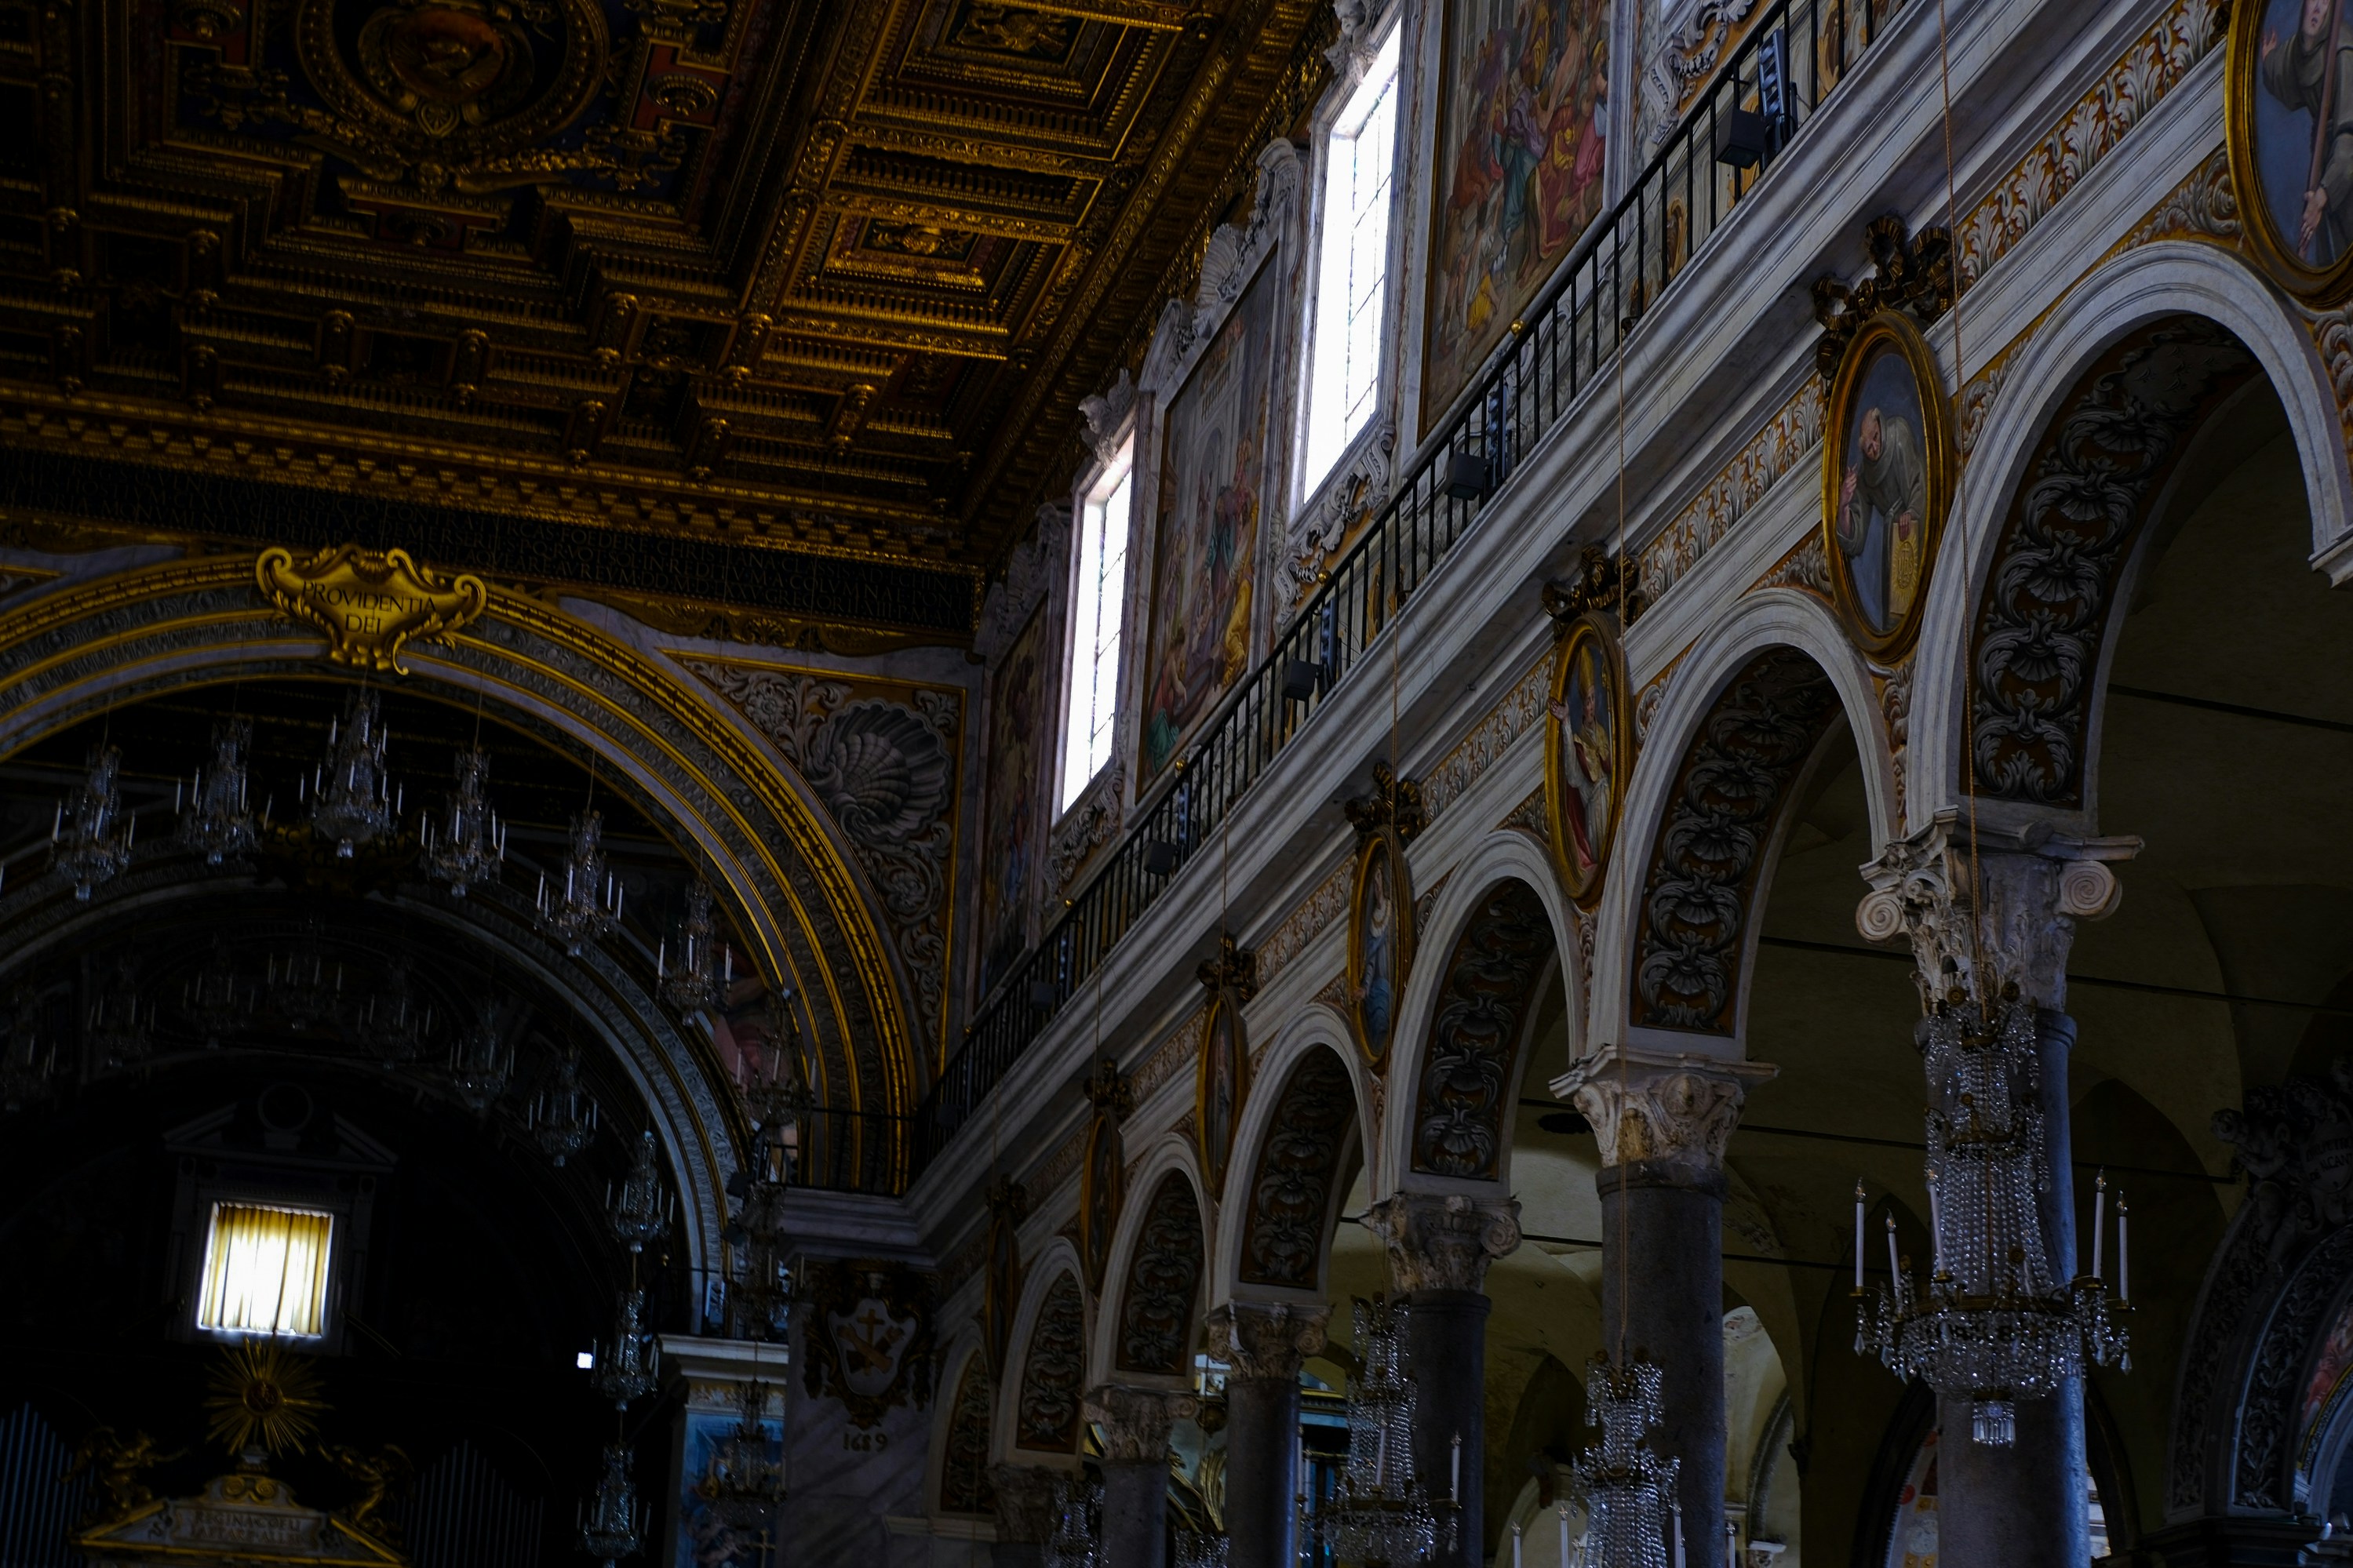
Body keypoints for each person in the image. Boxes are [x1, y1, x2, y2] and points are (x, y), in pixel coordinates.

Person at [2262, 0, 2353, 262]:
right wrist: (2268, 62)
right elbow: (2284, 72)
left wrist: (2323, 196)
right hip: (2323, 160)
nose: (2317, 9)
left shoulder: (2343, 52)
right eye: (2314, 0)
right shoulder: (2301, 46)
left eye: (2325, 4)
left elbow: (2350, 139)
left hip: (2343, 174)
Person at [1838, 404, 1928, 628]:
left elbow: (1919, 482)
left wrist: (1912, 512)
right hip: (1894, 541)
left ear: (1881, 425)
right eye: (1869, 447)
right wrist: (1844, 504)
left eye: (1876, 438)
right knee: (1899, 615)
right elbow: (1855, 540)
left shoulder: (1899, 435)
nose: (1875, 448)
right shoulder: (1866, 476)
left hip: (1916, 527)